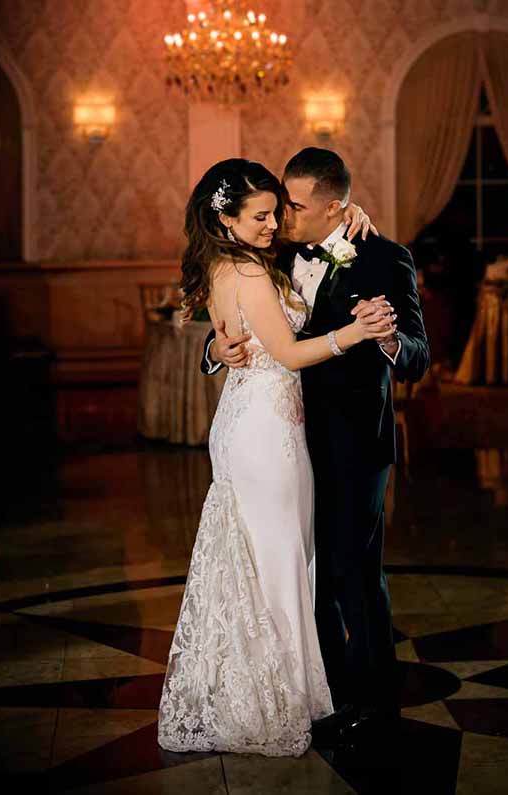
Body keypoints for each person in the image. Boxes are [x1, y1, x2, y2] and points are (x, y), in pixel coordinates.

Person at [157, 157, 393, 758]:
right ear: (227, 217)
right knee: (279, 559)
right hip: (266, 429)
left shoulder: (244, 258)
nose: (275, 223)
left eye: (279, 212)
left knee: (276, 560)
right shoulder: (251, 267)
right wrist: (354, 334)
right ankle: (279, 699)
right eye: (261, 215)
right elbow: (284, 351)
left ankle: (289, 689)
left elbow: (243, 331)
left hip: (279, 426)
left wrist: (350, 216)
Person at [203, 148, 430, 751]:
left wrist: (382, 339)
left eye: (295, 206)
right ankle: (322, 693)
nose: (281, 218)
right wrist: (214, 350)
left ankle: (376, 701)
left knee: (354, 573)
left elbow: (417, 353)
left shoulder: (385, 257)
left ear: (336, 208)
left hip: (354, 445)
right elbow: (241, 312)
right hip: (284, 440)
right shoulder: (273, 247)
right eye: (278, 205)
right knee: (306, 573)